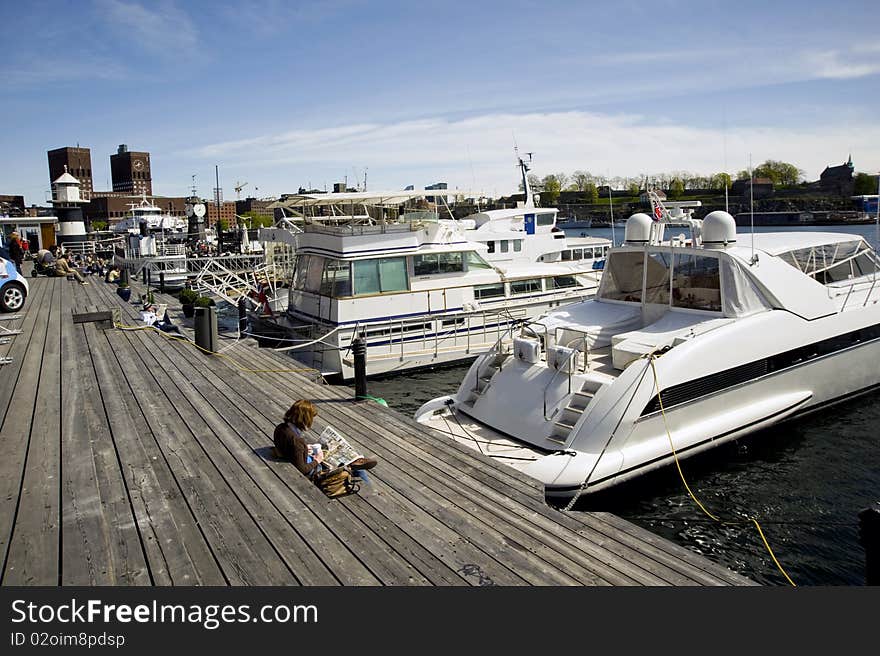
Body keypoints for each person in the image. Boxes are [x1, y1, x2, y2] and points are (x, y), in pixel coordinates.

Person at [273, 399, 377, 484]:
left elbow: (291, 448)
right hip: (315, 471)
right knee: (359, 471)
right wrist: (317, 460)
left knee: (328, 449)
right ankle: (368, 486)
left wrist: (305, 448)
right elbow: (302, 469)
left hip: (298, 457)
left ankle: (354, 462)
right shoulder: (296, 441)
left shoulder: (281, 428)